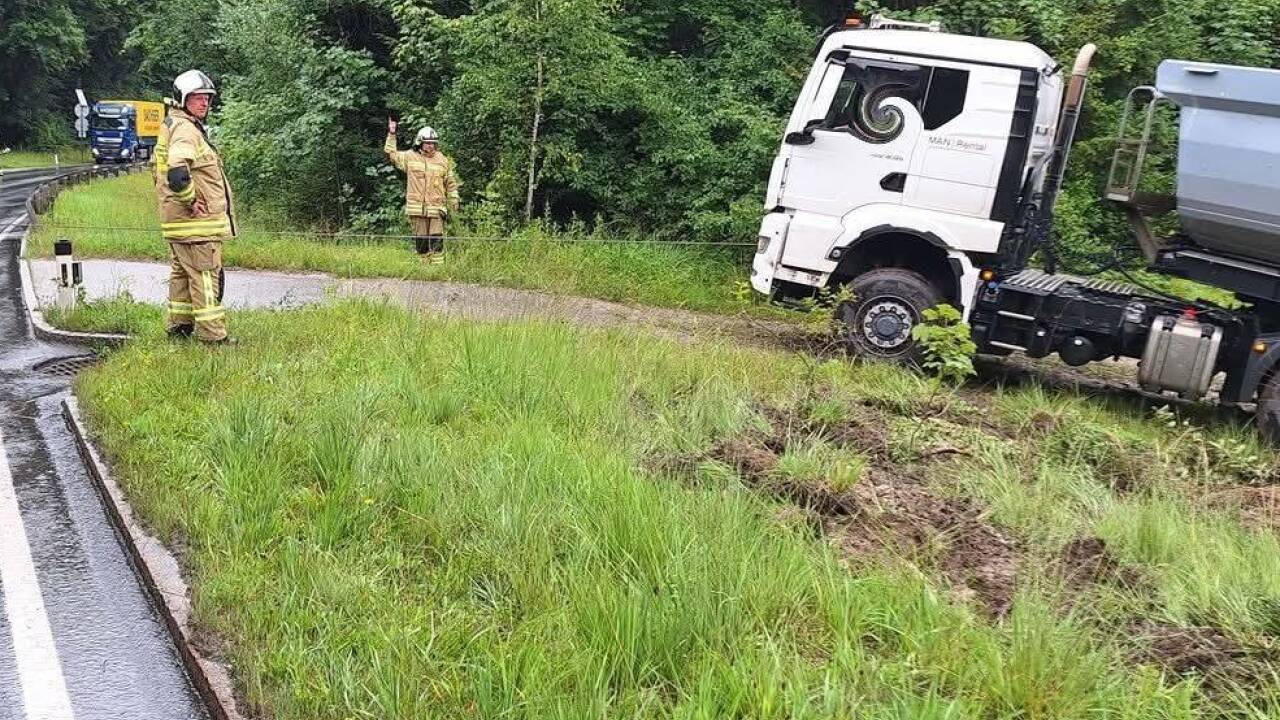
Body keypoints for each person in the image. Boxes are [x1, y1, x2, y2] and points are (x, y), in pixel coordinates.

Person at [154, 69, 236, 344]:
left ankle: (179, 329)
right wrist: (191, 200)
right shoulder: (186, 130)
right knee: (205, 279)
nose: (204, 103)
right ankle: (214, 338)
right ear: (182, 99)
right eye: (197, 97)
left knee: (181, 276)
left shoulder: (173, 124)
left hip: (178, 223)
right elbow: (177, 172)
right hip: (196, 225)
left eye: (207, 98)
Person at [384, 118, 460, 262]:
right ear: (420, 142)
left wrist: (454, 199)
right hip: (416, 208)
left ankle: (437, 269)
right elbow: (391, 154)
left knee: (437, 241)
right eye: (428, 143)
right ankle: (423, 269)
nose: (431, 146)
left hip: (436, 208)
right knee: (421, 243)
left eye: (433, 143)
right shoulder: (409, 157)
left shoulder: (442, 160)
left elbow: (450, 182)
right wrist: (392, 134)